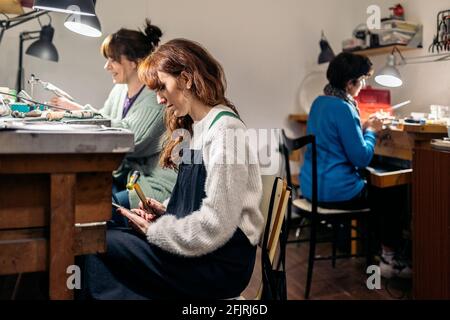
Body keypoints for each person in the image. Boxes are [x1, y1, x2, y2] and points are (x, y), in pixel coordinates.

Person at [77, 39, 265, 299]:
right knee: (100, 231)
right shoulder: (198, 127)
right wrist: (166, 211)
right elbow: (200, 201)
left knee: (96, 244)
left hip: (219, 265)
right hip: (204, 250)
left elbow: (216, 226)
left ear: (187, 79)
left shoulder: (226, 132)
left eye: (162, 87)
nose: (159, 99)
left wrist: (157, 231)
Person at [300, 52, 412, 279]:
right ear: (350, 83)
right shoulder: (344, 108)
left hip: (312, 187)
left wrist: (361, 127)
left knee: (380, 187)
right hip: (336, 192)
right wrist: (371, 131)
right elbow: (361, 158)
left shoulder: (320, 102)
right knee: (393, 190)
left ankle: (379, 250)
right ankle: (390, 259)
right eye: (361, 80)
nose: (363, 85)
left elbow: (334, 137)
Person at [50, 19, 177, 210]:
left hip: (152, 185)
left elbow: (130, 137)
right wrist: (67, 114)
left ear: (135, 62)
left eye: (113, 59)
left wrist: (79, 111)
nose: (107, 66)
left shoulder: (154, 97)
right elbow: (103, 121)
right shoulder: (120, 91)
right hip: (127, 178)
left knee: (88, 207)